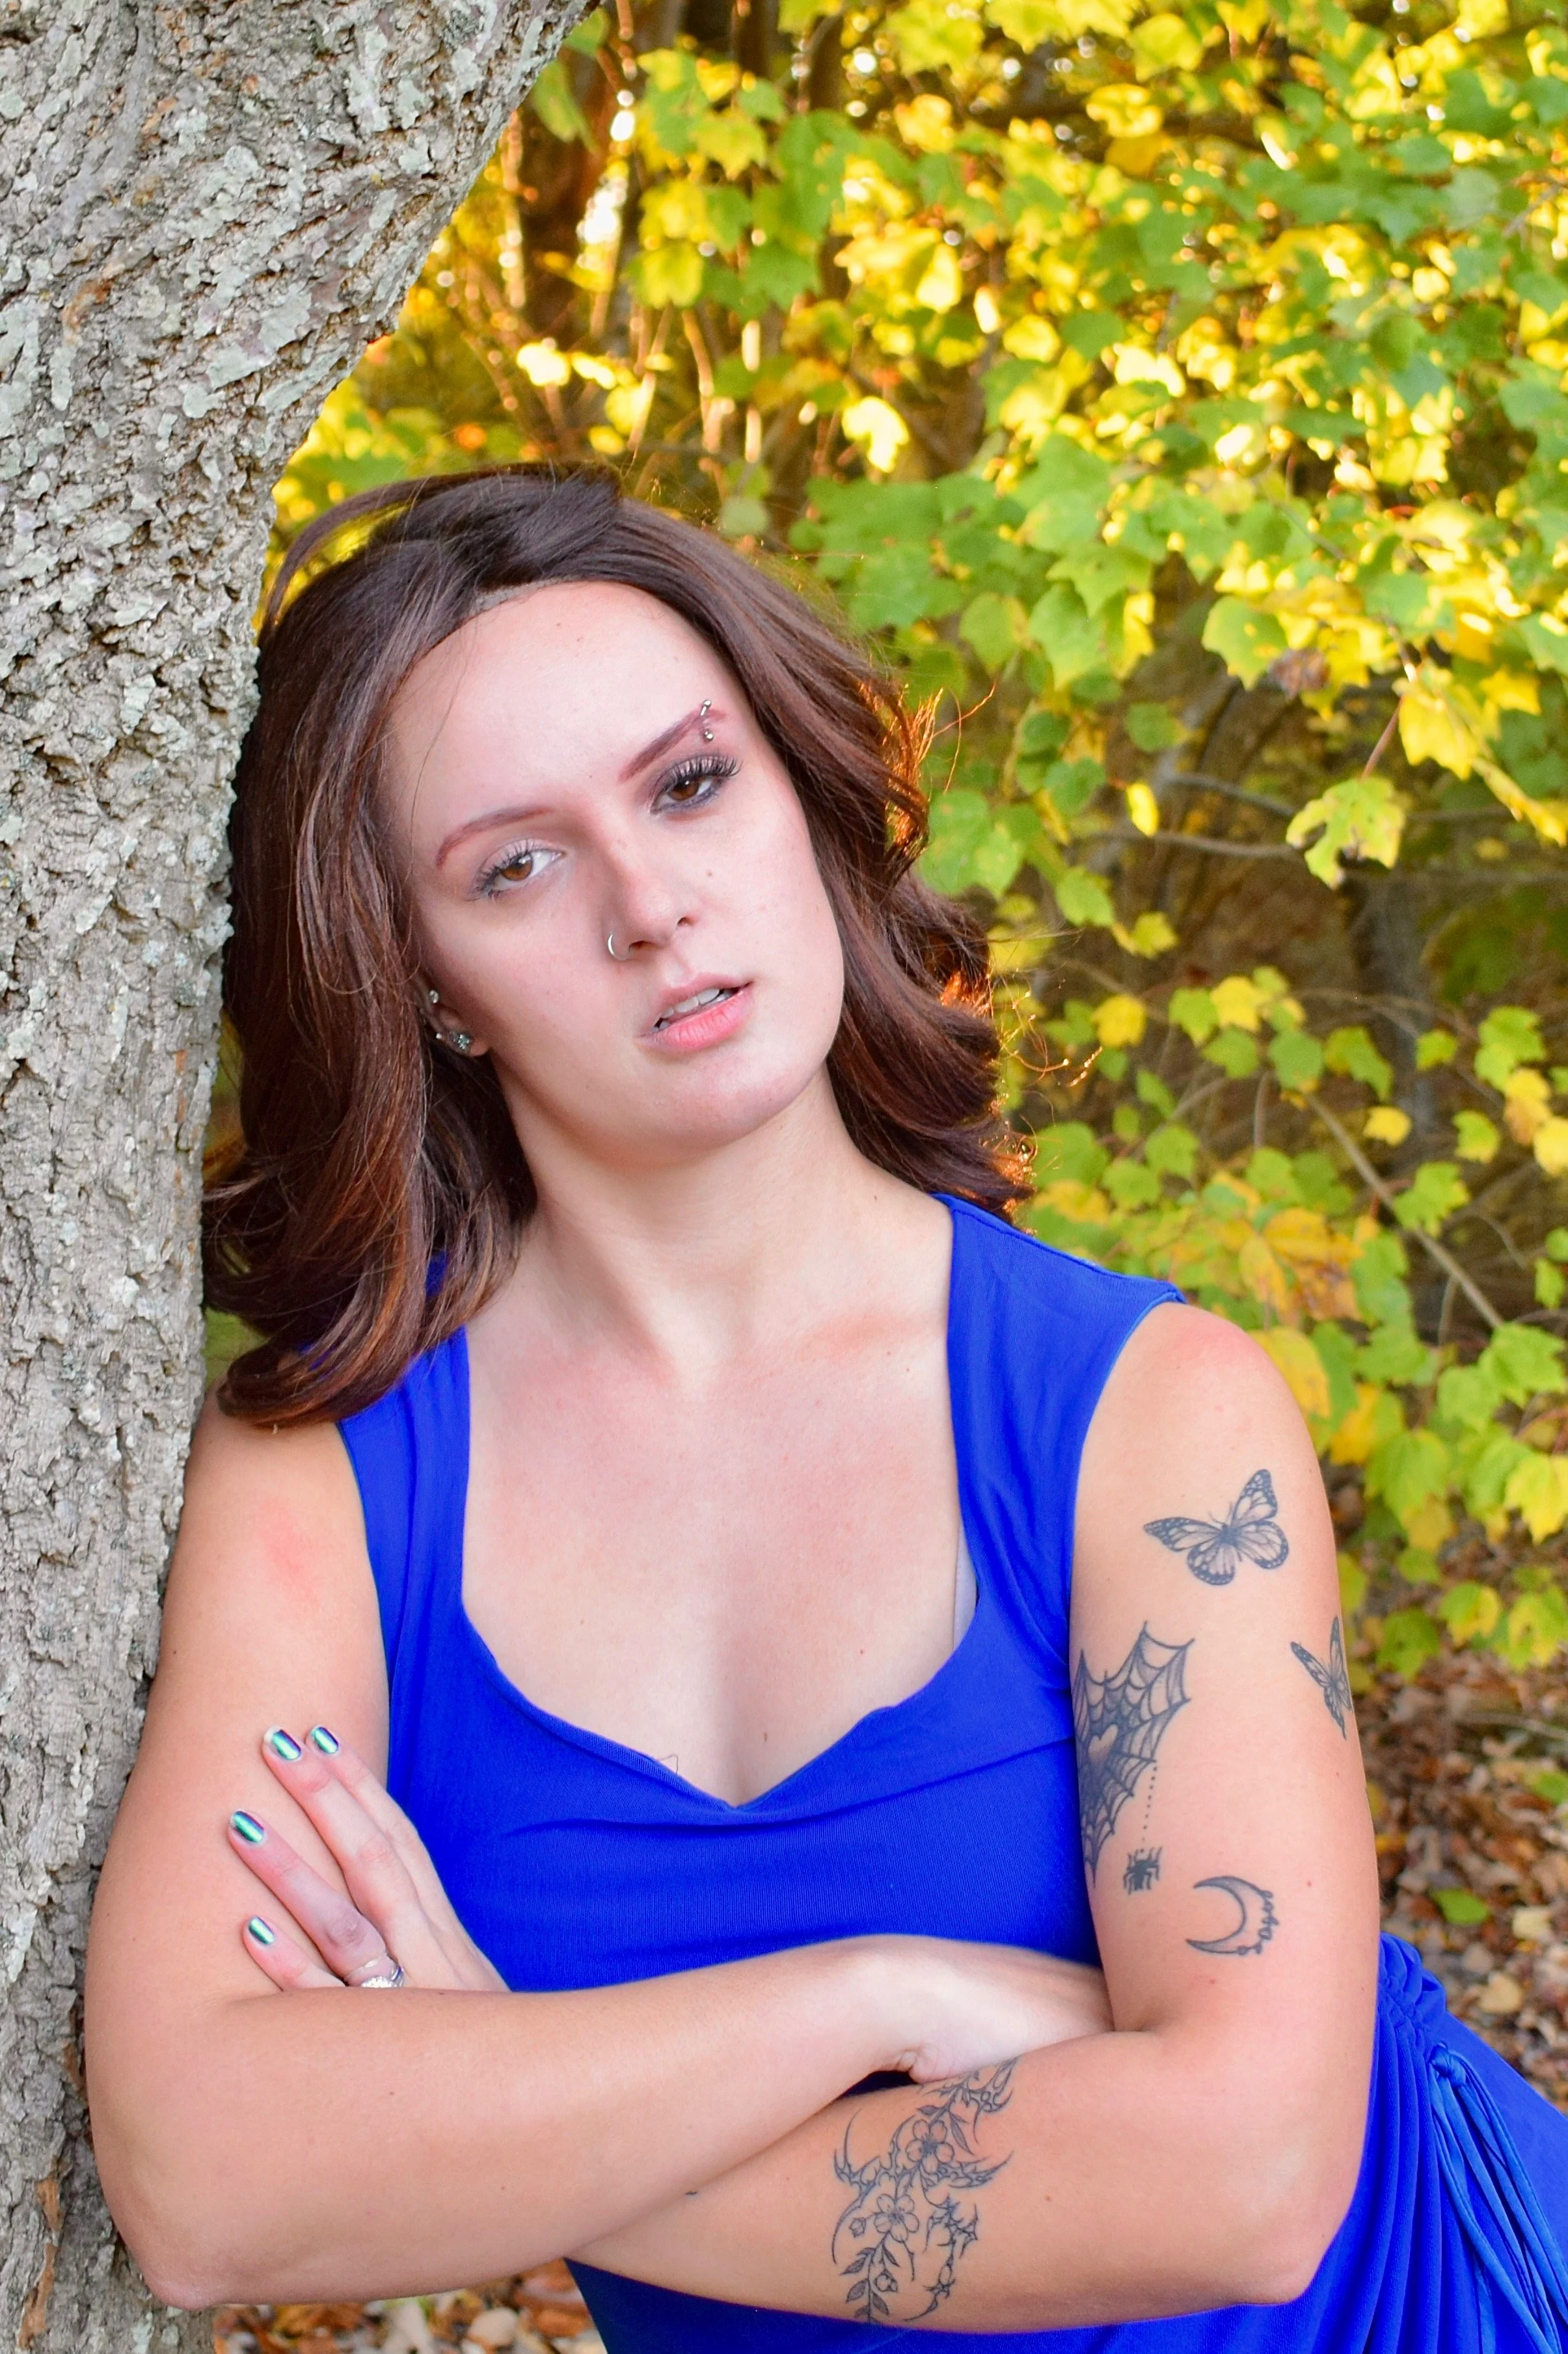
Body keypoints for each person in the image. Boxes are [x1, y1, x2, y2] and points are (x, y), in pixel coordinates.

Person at [87, 467, 1568, 2354]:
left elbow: (1252, 2186)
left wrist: (498, 2103)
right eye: (513, 866)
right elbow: (207, 2183)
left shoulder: (1143, 1416)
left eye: (689, 783)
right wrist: (881, 1997)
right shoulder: (333, 1471)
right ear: (426, 982)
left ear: (796, 795)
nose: (650, 904)